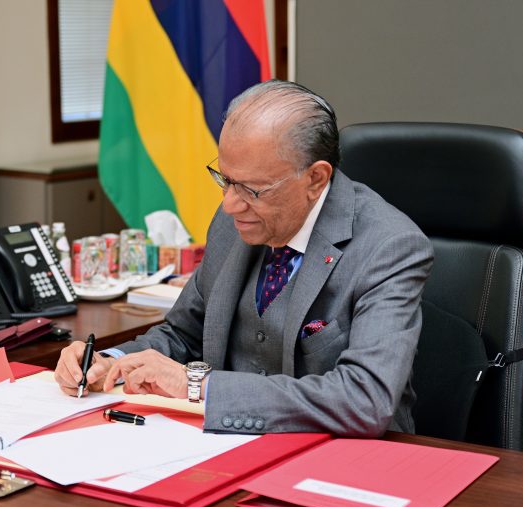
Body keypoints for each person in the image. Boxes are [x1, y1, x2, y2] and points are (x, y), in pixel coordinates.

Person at [55, 80, 434, 437]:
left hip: (343, 457)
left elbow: (365, 398)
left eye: (252, 189)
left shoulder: (389, 246)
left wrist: (198, 386)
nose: (229, 205)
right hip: (226, 443)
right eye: (225, 179)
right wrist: (111, 361)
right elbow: (183, 335)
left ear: (316, 179)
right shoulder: (233, 221)